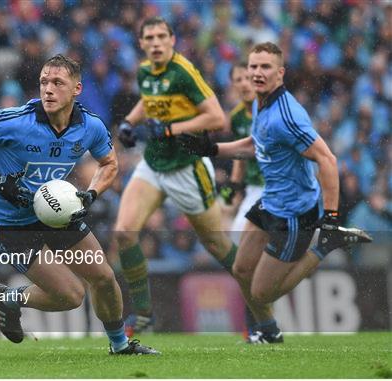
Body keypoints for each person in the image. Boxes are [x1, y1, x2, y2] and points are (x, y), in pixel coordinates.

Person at [0, 54, 159, 355]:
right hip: (11, 224)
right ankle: (14, 298)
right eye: (43, 82)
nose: (48, 89)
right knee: (71, 296)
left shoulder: (91, 126)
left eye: (57, 83)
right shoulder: (17, 121)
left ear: (77, 89)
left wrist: (92, 193)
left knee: (103, 277)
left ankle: (120, 345)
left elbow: (109, 163)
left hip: (56, 214)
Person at [179, 42, 371, 343]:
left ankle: (327, 243)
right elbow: (256, 145)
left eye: (265, 67)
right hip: (270, 202)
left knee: (263, 291)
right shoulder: (260, 102)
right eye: (253, 66)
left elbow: (328, 160)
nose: (257, 72)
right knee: (241, 269)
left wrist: (331, 216)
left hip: (295, 213)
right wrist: (212, 148)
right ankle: (269, 332)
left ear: (280, 73)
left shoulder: (288, 116)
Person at [114, 16, 259, 336]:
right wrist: (129, 121)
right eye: (148, 37)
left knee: (217, 244)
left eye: (160, 37)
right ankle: (143, 316)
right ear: (141, 44)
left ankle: (259, 306)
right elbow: (149, 99)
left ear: (172, 40)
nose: (154, 43)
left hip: (187, 167)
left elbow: (216, 116)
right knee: (124, 233)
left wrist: (170, 129)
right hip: (154, 163)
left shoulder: (184, 72)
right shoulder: (144, 71)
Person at [224, 62, 264, 246]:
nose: (244, 83)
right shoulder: (236, 117)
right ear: (233, 85)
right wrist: (230, 191)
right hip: (255, 188)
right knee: (237, 238)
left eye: (248, 78)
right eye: (238, 80)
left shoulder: (271, 108)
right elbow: (239, 157)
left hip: (281, 185)